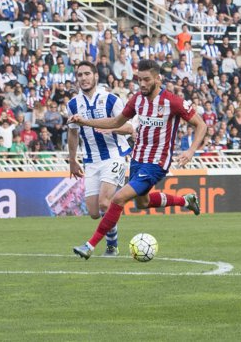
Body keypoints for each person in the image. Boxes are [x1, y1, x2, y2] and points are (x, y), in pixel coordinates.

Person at [70, 60, 207, 259]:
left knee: (118, 198)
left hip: (156, 163)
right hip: (137, 158)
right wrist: (85, 121)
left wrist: (192, 150)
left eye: (146, 80)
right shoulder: (137, 100)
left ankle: (90, 246)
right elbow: (116, 122)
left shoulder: (173, 102)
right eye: (139, 79)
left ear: (158, 79)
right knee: (142, 203)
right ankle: (185, 200)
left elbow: (201, 125)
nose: (142, 84)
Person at [66, 61, 134, 256]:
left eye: (87, 74)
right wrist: (72, 160)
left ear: (96, 76)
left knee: (105, 202)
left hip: (114, 155)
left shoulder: (111, 99)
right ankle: (116, 211)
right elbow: (72, 133)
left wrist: (109, 127)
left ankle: (111, 246)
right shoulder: (73, 104)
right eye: (80, 75)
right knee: (94, 212)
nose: (84, 78)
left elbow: (128, 128)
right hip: (91, 160)